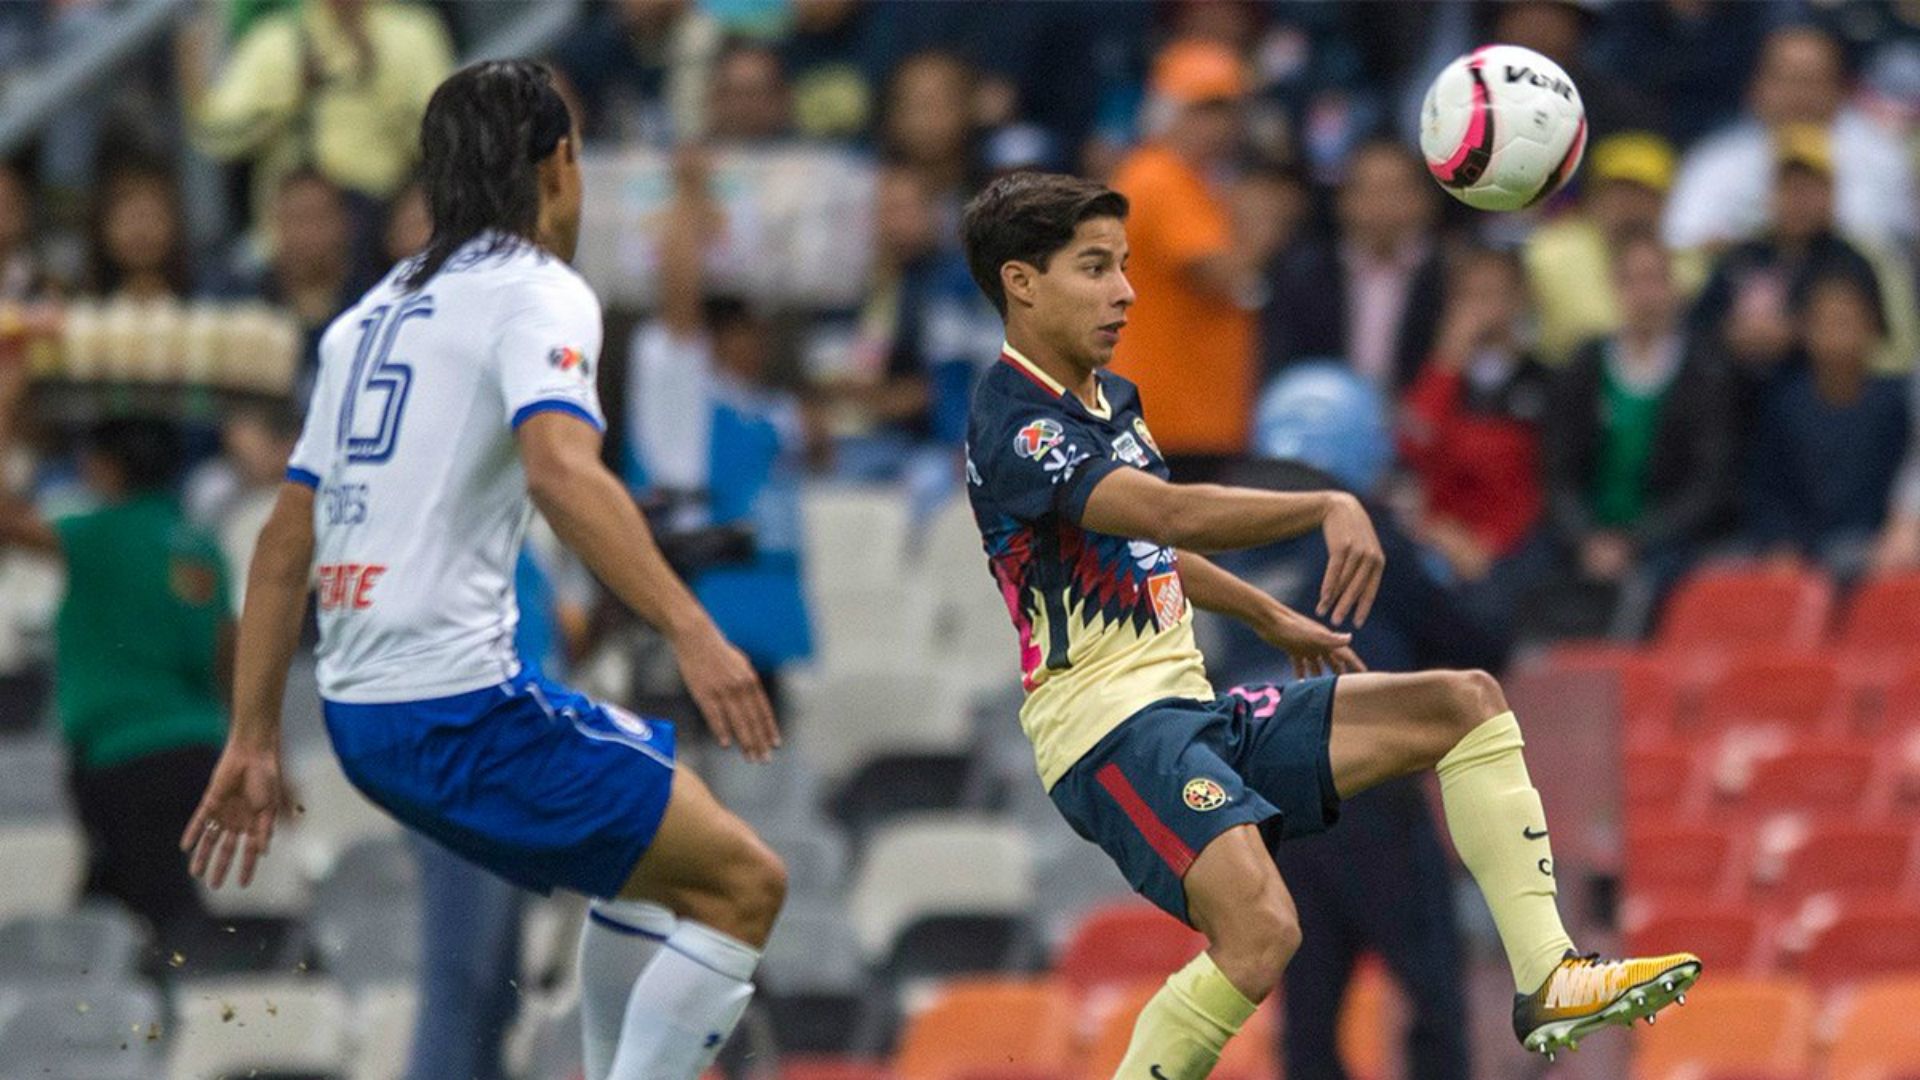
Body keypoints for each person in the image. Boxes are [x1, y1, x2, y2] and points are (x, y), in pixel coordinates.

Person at [958, 171, 1696, 1076]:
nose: (1126, 290)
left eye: (1123, 265)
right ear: (1022, 283)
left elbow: (1143, 555)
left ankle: (1551, 975)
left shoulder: (1107, 402)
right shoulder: (1017, 423)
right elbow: (1166, 516)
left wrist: (1274, 613)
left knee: (1464, 702)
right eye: (1095, 268)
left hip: (1191, 716)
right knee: (1263, 932)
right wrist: (1325, 505)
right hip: (1110, 734)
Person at [181, 61, 787, 1080]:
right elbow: (559, 467)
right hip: (458, 710)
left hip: (360, 714)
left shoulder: (366, 317)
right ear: (560, 167)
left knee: (648, 874)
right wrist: (693, 627)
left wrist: (253, 735)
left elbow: (285, 543)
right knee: (746, 885)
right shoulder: (539, 289)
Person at [1214, 364, 1500, 1080]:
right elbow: (1473, 643)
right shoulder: (1362, 535)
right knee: (1433, 992)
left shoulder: (1226, 543)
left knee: (1308, 1015)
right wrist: (1466, 570)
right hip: (1365, 785)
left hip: (1265, 804)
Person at [0, 384, 227, 959]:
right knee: (116, 896)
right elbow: (230, 653)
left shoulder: (94, 535)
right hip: (199, 749)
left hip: (121, 757)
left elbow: (6, 520)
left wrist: (5, 404)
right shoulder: (201, 548)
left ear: (105, 467)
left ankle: (205, 1007)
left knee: (161, 910)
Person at [624, 146, 814, 702]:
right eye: (739, 329)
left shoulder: (774, 407)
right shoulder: (680, 391)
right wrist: (689, 195)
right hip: (706, 604)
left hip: (773, 610)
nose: (753, 341)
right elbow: (680, 304)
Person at [1545, 231, 1735, 626]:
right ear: (1615, 289)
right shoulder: (1586, 365)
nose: (1645, 295)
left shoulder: (1705, 372)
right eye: (1633, 280)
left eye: (1655, 279)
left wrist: (1635, 540)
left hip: (1669, 544)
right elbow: (1557, 470)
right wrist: (1585, 537)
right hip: (1586, 539)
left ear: (1673, 289)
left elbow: (1709, 483)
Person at [1108, 38, 1272, 477]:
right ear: (1167, 111)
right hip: (1169, 419)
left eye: (1228, 110)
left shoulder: (1198, 184)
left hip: (1198, 419)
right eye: (1204, 109)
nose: (1220, 125)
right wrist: (1260, 230)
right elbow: (1220, 275)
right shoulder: (1159, 177)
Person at [1689, 123, 1917, 410]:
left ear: (1831, 192)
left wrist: (1798, 336)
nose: (1799, 199)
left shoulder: (1849, 262)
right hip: (1737, 401)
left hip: (1820, 405)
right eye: (1789, 187)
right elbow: (1696, 325)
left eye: (1810, 187)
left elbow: (1880, 344)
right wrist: (1731, 334)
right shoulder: (1743, 255)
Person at [192, 0, 455, 238]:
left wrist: (381, 79)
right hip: (296, 228)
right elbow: (216, 136)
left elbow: (445, 142)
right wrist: (291, 92)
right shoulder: (276, 40)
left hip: (385, 217)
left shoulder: (412, 33)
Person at [1397, 247, 1554, 637]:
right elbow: (1411, 448)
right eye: (1470, 296)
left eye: (1494, 295)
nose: (1482, 311)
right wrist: (1447, 361)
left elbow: (1545, 484)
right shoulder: (1437, 377)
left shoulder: (1544, 382)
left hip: (1511, 551)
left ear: (1519, 300)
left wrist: (1486, 546)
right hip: (1439, 541)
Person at [1663, 23, 1916, 252]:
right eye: (1787, 79)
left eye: (1812, 80)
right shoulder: (1716, 162)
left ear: (1841, 88)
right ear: (1757, 87)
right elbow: (1681, 244)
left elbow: (1901, 249)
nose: (1800, 94)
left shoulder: (1882, 159)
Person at [1742, 272, 1910, 577]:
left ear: (1872, 327)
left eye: (1846, 322)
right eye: (1827, 323)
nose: (1837, 335)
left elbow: (1904, 484)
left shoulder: (1895, 404)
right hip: (1795, 548)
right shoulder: (1785, 406)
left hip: (1873, 547)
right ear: (1806, 330)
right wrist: (1778, 543)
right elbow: (1766, 488)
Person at [1261, 139, 1446, 392]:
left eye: (1395, 189)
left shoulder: (1451, 277)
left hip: (1419, 423)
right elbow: (1284, 365)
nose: (1381, 203)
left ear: (1424, 200)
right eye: (1368, 189)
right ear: (1343, 200)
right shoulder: (1303, 275)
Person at [1522, 132, 1706, 366]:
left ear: (1665, 201)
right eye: (1616, 191)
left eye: (1642, 192)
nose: (1628, 204)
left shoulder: (1692, 265)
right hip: (1561, 383)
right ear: (1593, 197)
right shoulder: (1546, 254)